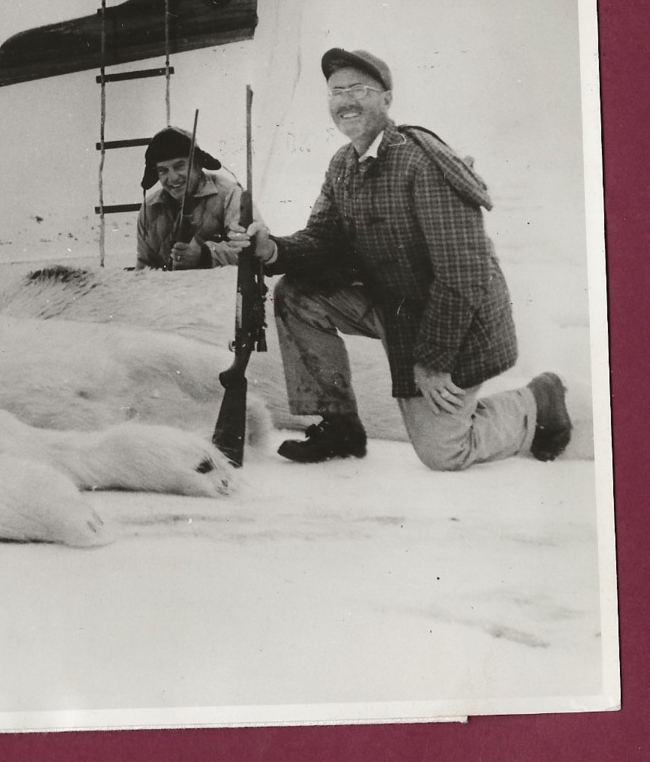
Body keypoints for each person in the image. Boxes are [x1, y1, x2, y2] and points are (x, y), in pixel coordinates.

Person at [230, 48, 571, 469]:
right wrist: (273, 249)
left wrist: (433, 362)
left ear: (387, 99)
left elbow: (463, 275)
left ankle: (537, 401)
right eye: (336, 91)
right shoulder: (342, 164)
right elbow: (322, 239)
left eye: (359, 89)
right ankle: (339, 425)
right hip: (398, 311)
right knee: (297, 294)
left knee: (444, 452)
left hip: (458, 321)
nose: (345, 100)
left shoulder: (421, 162)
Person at [136, 125, 253, 270]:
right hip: (168, 291)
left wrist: (204, 255)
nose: (172, 178)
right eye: (163, 170)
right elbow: (144, 268)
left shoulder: (230, 195)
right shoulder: (150, 208)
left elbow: (251, 251)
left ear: (198, 165)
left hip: (219, 290)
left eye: (179, 166)